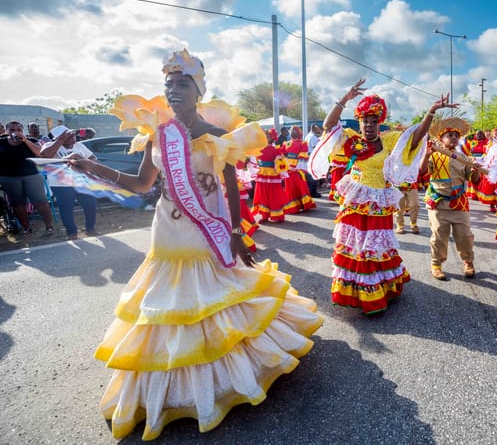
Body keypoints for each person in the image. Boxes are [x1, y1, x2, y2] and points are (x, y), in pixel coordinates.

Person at [67, 49, 322, 440]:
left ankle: (224, 378)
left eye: (183, 83)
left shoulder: (219, 135)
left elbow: (232, 187)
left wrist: (236, 233)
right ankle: (172, 386)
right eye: (169, 83)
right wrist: (93, 167)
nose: (174, 90)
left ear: (199, 90)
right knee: (169, 305)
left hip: (207, 230)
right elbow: (142, 184)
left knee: (216, 298)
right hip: (167, 231)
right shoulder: (157, 133)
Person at [310, 79, 454, 313]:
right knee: (355, 245)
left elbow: (415, 138)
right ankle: (354, 290)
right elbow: (328, 125)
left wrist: (430, 112)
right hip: (356, 200)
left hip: (380, 202)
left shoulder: (389, 141)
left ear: (380, 123)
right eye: (365, 121)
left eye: (373, 121)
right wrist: (345, 99)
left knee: (376, 247)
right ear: (359, 122)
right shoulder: (351, 138)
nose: (369, 125)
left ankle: (378, 289)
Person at [421, 117, 482, 280]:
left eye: (456, 135)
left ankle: (468, 262)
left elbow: (474, 180)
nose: (454, 138)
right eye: (449, 135)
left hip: (459, 203)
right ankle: (436, 265)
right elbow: (422, 172)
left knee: (465, 236)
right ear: (441, 138)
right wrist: (426, 156)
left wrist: (475, 171)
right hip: (438, 203)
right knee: (439, 237)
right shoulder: (434, 156)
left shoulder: (464, 158)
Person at [41, 125, 98, 240]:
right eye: (69, 136)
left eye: (73, 135)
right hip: (61, 184)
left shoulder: (79, 146)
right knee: (66, 208)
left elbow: (93, 158)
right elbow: (45, 155)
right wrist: (60, 140)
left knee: (90, 204)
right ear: (59, 138)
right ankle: (72, 233)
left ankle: (90, 229)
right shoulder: (49, 146)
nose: (73, 137)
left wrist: (81, 160)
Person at [0, 121, 56, 235]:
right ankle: (27, 228)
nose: (15, 132)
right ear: (6, 131)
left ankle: (49, 226)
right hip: (9, 178)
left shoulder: (32, 140)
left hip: (32, 175)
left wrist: (25, 141)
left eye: (18, 130)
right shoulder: (1, 142)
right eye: (12, 130)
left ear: (23, 131)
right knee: (17, 204)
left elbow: (40, 154)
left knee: (41, 202)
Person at [252, 128, 291, 223]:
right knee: (263, 194)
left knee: (274, 195)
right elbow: (256, 161)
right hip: (262, 174)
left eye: (268, 136)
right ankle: (264, 215)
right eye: (264, 136)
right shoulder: (259, 149)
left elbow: (280, 163)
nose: (265, 138)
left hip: (272, 175)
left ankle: (278, 215)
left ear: (272, 138)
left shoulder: (275, 150)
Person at [282, 126, 316, 212]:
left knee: (300, 186)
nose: (293, 133)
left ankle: (303, 204)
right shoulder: (286, 143)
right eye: (292, 131)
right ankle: (295, 206)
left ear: (298, 133)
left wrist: (297, 168)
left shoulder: (303, 143)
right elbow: (282, 155)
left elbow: (303, 158)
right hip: (288, 169)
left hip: (296, 170)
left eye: (295, 131)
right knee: (290, 187)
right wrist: (285, 166)